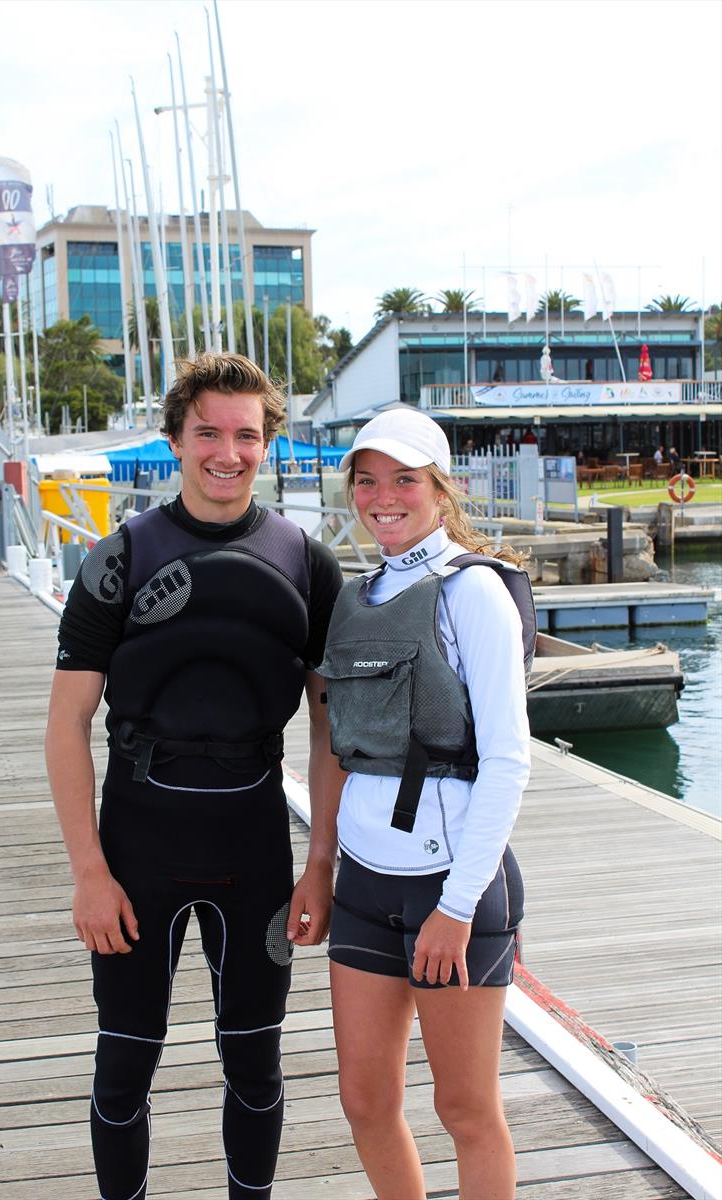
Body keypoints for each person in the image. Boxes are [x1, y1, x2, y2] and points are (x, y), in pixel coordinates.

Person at [45, 353, 345, 1199]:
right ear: (176, 438)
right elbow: (66, 725)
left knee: (255, 1059)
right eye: (208, 431)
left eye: (246, 435)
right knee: (124, 1066)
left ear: (267, 445)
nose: (228, 452)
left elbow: (328, 727)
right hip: (138, 845)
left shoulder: (307, 564)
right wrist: (89, 874)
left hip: (256, 846)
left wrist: (320, 860)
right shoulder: (120, 558)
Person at [320, 409, 533, 1200]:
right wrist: (323, 872)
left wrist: (455, 906)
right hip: (366, 884)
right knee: (366, 1101)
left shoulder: (472, 592)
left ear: (440, 491)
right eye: (367, 480)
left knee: (466, 1108)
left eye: (404, 479)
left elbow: (510, 761)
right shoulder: (358, 595)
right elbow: (339, 751)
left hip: (454, 888)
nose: (382, 497)